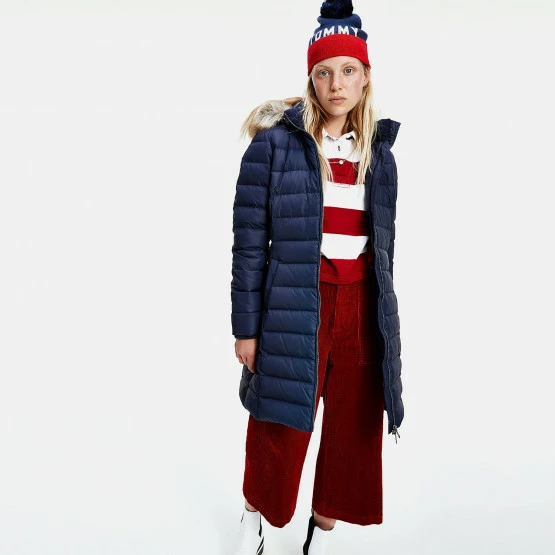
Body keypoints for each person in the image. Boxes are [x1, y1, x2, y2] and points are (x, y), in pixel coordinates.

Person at [230, 1, 404, 553]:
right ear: (311, 78)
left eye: (348, 70)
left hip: (361, 305)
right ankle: (255, 516)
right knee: (280, 421)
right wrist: (246, 329)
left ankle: (323, 531)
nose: (336, 84)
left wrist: (384, 322)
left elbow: (382, 249)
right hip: (296, 302)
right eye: (324, 72)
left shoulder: (379, 154)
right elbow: (249, 243)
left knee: (354, 425)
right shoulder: (274, 146)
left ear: (365, 77)